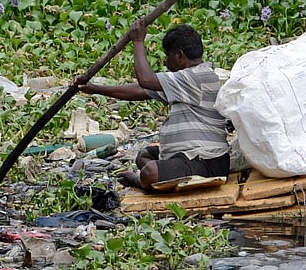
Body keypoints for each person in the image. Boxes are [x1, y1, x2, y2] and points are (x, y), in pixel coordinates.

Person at [78, 21, 229, 190]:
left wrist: (138, 41)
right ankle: (162, 177)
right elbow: (140, 90)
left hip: (206, 160)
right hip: (185, 154)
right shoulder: (184, 80)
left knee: (150, 172)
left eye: (167, 55)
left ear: (179, 56)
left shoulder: (197, 77)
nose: (165, 62)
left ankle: (141, 182)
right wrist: (95, 89)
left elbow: (146, 80)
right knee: (143, 156)